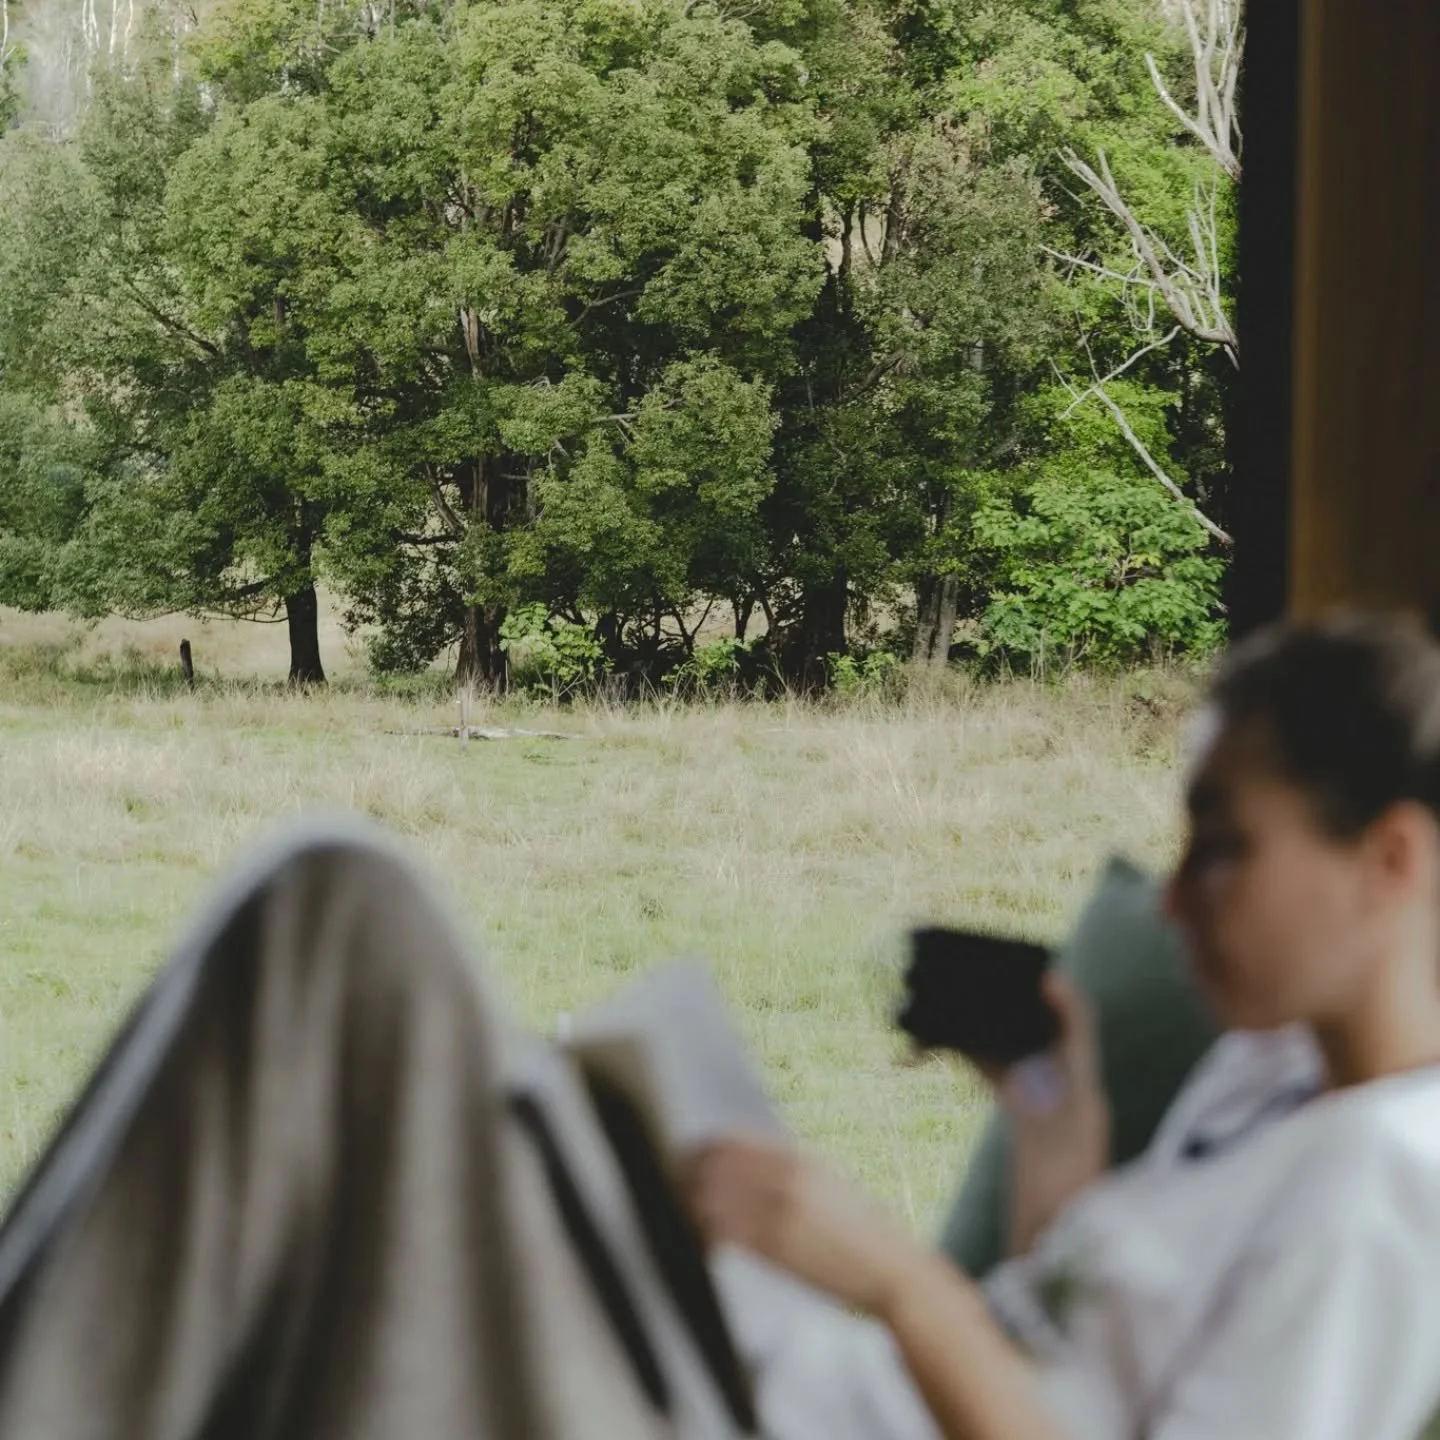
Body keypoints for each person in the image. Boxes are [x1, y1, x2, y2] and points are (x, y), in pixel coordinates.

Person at [691, 612, 1440, 1438]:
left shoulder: (1382, 1188)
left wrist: (900, 1287)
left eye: (1223, 849)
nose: (1173, 898)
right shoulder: (1267, 1071)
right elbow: (1067, 1355)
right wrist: (1058, 1120)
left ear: (1392, 860)